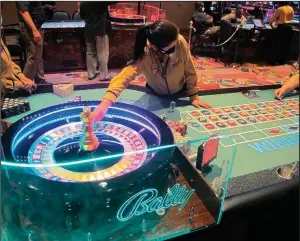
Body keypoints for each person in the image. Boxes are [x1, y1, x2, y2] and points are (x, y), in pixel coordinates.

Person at [93, 20, 212, 122]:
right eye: (172, 48)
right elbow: (124, 77)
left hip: (180, 91)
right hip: (155, 94)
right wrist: (105, 104)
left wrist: (194, 96)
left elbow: (189, 69)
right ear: (156, 47)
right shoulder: (145, 52)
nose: (178, 44)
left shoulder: (179, 41)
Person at [80, 2, 114, 80]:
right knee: (103, 53)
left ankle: (91, 74)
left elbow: (82, 16)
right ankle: (104, 75)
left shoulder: (83, 2)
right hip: (100, 30)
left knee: (90, 52)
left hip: (88, 29)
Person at [16, 2, 47, 84]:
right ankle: (25, 84)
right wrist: (34, 30)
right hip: (30, 27)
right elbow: (24, 11)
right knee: (34, 55)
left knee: (38, 54)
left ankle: (40, 79)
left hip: (36, 25)